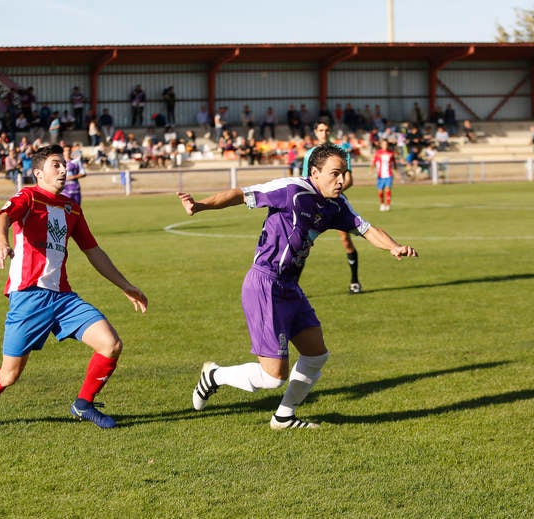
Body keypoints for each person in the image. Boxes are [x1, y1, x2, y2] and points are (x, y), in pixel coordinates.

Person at [178, 143, 417, 429]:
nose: (342, 180)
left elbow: (365, 229)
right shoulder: (292, 189)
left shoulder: (336, 205)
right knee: (272, 377)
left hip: (290, 286)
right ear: (315, 172)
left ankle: (284, 416)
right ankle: (214, 376)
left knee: (316, 354)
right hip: (265, 283)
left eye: (345, 173)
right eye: (335, 174)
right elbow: (241, 195)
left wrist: (394, 247)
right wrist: (200, 205)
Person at [0, 144, 148, 431]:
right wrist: (1, 243)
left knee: (111, 344)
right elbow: (1, 219)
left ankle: (83, 404)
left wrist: (126, 285)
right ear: (38, 173)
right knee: (9, 375)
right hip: (29, 297)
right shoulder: (28, 197)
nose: (63, 169)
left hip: (64, 298)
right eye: (56, 164)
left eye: (64, 164)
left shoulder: (72, 207)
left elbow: (93, 251)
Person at [309, 117, 362, 294]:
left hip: (336, 203)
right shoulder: (310, 155)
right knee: (301, 243)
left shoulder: (341, 151)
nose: (324, 133)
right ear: (315, 132)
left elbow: (349, 179)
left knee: (346, 241)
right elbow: (306, 181)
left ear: (330, 131)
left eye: (327, 130)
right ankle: (292, 287)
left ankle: (355, 281)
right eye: (320, 130)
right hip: (314, 204)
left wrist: (334, 192)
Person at [371, 138, 397, 211]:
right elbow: (374, 162)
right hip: (380, 175)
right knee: (380, 191)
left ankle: (388, 205)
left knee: (387, 189)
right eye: (384, 144)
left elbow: (394, 162)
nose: (385, 145)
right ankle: (382, 204)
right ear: (381, 145)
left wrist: (396, 169)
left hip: (389, 175)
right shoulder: (378, 153)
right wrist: (371, 170)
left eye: (386, 144)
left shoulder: (391, 153)